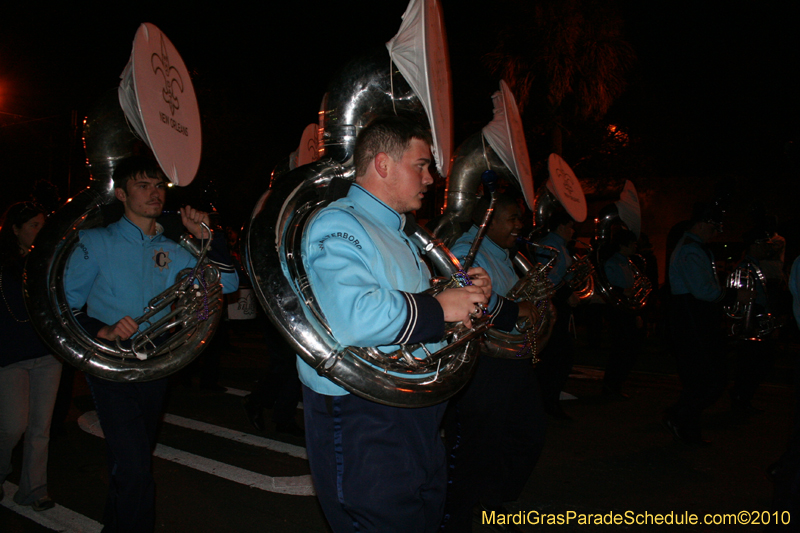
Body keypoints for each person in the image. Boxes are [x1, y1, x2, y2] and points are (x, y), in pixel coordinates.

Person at [299, 115, 491, 532]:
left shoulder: (398, 231)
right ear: (383, 165)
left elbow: (406, 299)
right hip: (364, 413)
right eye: (421, 165)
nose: (430, 178)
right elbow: (354, 317)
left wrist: (464, 294)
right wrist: (440, 308)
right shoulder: (340, 222)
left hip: (409, 409)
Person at [64, 157, 239, 532]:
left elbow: (227, 284)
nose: (154, 193)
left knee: (131, 461)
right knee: (135, 465)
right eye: (143, 186)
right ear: (121, 194)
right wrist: (102, 329)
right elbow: (66, 307)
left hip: (156, 361)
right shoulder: (95, 242)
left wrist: (206, 236)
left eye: (159, 185)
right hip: (110, 364)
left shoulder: (174, 246)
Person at [442, 193, 546, 532]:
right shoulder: (467, 251)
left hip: (510, 361)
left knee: (527, 435)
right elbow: (468, 298)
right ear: (487, 221)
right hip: (483, 364)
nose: (519, 225)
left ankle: (490, 499)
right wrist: (518, 310)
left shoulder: (502, 253)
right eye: (512, 218)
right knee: (473, 448)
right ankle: (455, 519)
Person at [664, 203, 749, 446]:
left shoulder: (693, 248)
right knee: (710, 379)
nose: (716, 234)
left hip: (694, 317)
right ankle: (681, 419)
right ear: (701, 224)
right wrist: (735, 295)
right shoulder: (691, 250)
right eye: (714, 228)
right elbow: (703, 291)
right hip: (693, 319)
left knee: (701, 378)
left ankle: (683, 422)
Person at [0, 202, 61, 511]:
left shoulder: (47, 261)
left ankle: (34, 489)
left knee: (40, 428)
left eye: (42, 225)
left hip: (47, 354)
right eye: (34, 226)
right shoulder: (4, 266)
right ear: (15, 229)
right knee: (12, 426)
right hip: (9, 355)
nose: (40, 231)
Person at [535, 211, 581, 420]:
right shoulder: (550, 244)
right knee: (557, 354)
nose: (573, 231)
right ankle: (547, 401)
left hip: (558, 300)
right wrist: (567, 292)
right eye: (570, 226)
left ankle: (550, 399)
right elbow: (548, 275)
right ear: (561, 226)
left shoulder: (560, 245)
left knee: (560, 354)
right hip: (552, 301)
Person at [601, 228, 644, 398]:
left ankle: (615, 385)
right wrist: (623, 292)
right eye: (632, 244)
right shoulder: (613, 263)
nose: (635, 247)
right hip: (618, 311)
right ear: (623, 245)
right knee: (621, 349)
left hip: (627, 310)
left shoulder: (627, 263)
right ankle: (611, 386)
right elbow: (609, 288)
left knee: (629, 349)